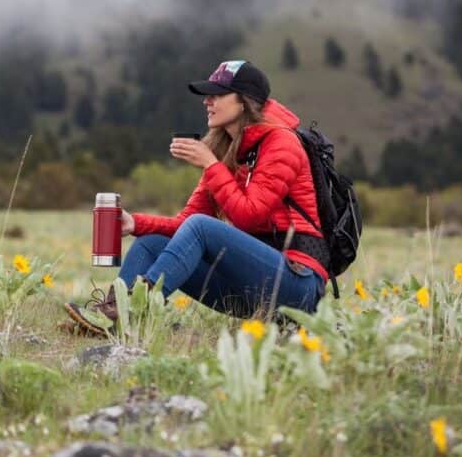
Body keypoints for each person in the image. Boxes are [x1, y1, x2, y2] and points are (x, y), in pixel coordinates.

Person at [64, 60, 328, 334]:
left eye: (218, 94)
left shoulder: (282, 144)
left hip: (298, 288)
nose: (207, 101)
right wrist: (136, 224)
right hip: (253, 287)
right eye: (207, 95)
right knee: (151, 242)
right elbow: (186, 228)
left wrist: (211, 165)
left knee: (202, 226)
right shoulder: (225, 149)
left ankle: (133, 310)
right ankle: (111, 318)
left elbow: (250, 214)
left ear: (244, 102)